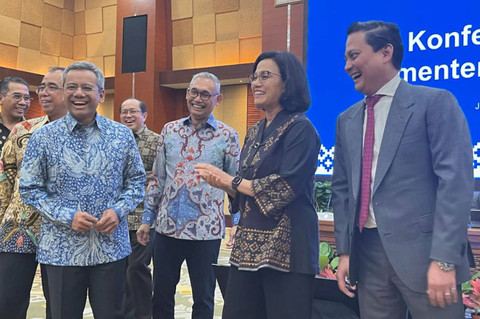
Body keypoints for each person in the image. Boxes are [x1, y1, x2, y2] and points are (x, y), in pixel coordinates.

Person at [332, 21, 473, 318]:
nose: (347, 66)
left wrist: (444, 261)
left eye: (354, 55)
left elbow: (455, 183)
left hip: (426, 257)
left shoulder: (434, 102)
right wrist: (344, 251)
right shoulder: (347, 119)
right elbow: (342, 189)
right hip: (367, 255)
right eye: (346, 58)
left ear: (386, 52)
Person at [195, 51, 321, 319]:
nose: (256, 83)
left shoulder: (302, 129)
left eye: (265, 76)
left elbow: (284, 188)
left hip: (288, 251)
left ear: (288, 83)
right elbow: (243, 190)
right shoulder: (253, 132)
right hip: (247, 249)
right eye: (254, 77)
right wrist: (222, 183)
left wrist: (232, 180)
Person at [18, 61, 146, 319]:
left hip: (110, 249)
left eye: (87, 87)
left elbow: (137, 181)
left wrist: (119, 211)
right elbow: (29, 188)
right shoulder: (43, 137)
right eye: (72, 87)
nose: (79, 93)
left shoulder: (121, 135)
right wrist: (67, 216)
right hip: (60, 251)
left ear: (101, 94)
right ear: (64, 92)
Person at [136, 71, 240, 319]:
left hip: (206, 231)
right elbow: (158, 179)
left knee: (203, 299)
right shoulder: (169, 131)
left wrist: (236, 223)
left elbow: (236, 184)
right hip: (167, 229)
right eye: (194, 92)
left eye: (206, 94)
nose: (198, 98)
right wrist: (146, 220)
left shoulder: (228, 136)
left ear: (218, 99)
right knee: (160, 295)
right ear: (187, 94)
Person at [0, 67, 66, 319]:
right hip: (17, 229)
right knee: (7, 301)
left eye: (53, 87)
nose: (43, 93)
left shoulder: (86, 134)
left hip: (62, 233)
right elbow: (5, 180)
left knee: (60, 306)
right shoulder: (23, 129)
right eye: (42, 87)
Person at [119, 98, 160, 319]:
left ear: (144, 115)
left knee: (137, 268)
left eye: (133, 111)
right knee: (119, 271)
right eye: (124, 112)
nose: (128, 116)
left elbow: (160, 176)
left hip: (144, 217)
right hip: (116, 218)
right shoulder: (114, 140)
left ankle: (143, 314)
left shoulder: (156, 141)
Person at [0, 77, 31, 151]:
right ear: (1, 99)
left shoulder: (33, 132)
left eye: (26, 98)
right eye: (17, 96)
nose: (23, 102)